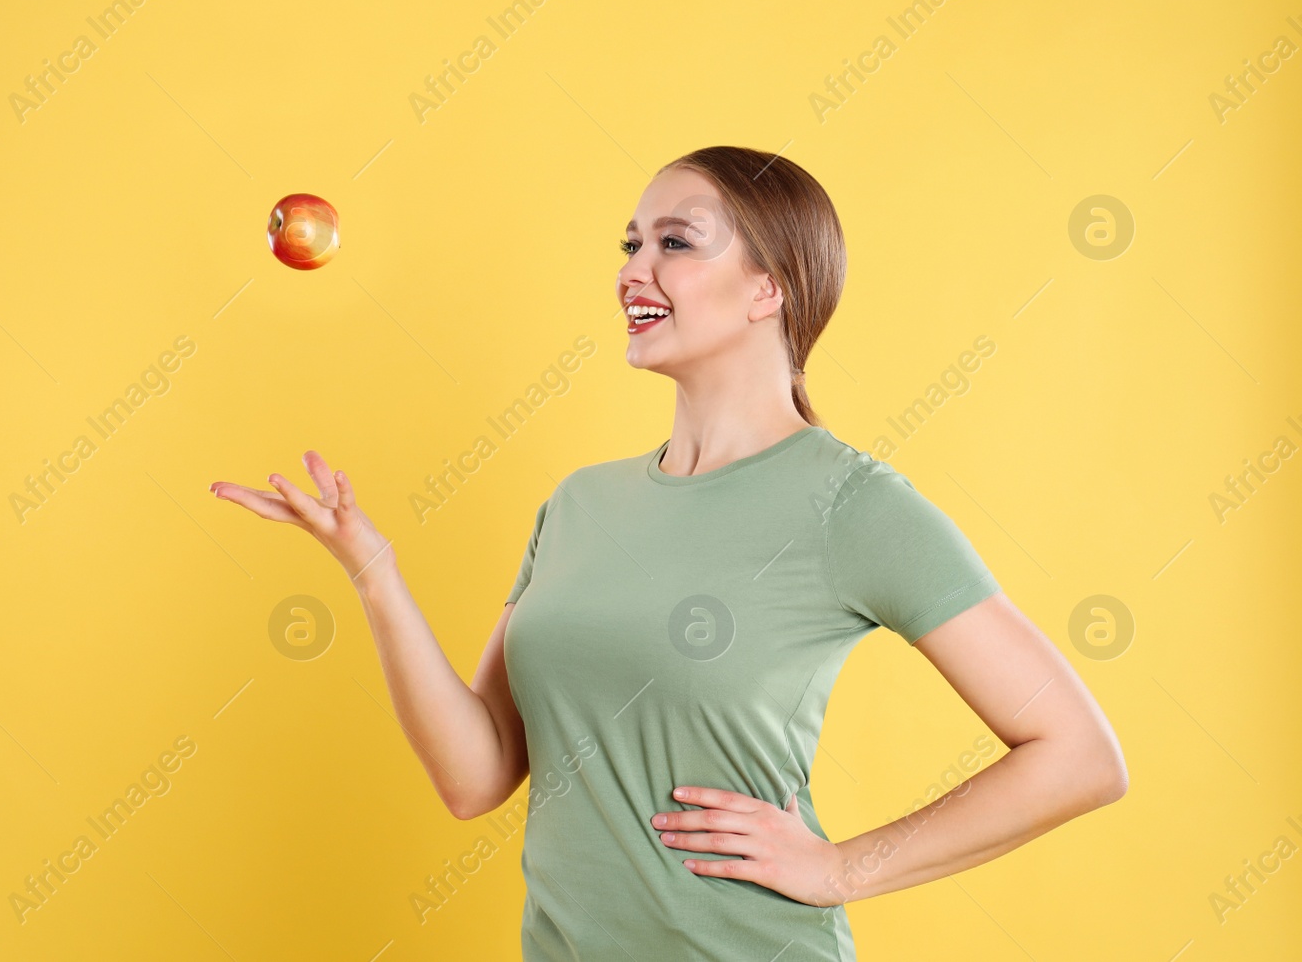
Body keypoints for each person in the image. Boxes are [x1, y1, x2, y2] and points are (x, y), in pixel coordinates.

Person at [210, 145, 1128, 961]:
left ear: (771, 288)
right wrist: (375, 574)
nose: (633, 271)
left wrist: (843, 867)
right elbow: (476, 774)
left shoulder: (851, 505)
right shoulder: (578, 505)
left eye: (675, 244)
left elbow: (1079, 754)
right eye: (630, 244)